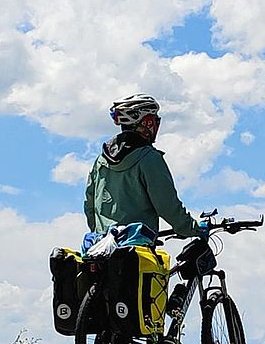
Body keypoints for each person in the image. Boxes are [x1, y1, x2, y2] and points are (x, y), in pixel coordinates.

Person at [84, 93, 205, 241]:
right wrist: (193, 229)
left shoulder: (101, 160)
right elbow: (167, 205)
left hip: (102, 246)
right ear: (146, 122)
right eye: (154, 119)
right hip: (135, 249)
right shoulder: (149, 158)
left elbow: (90, 207)